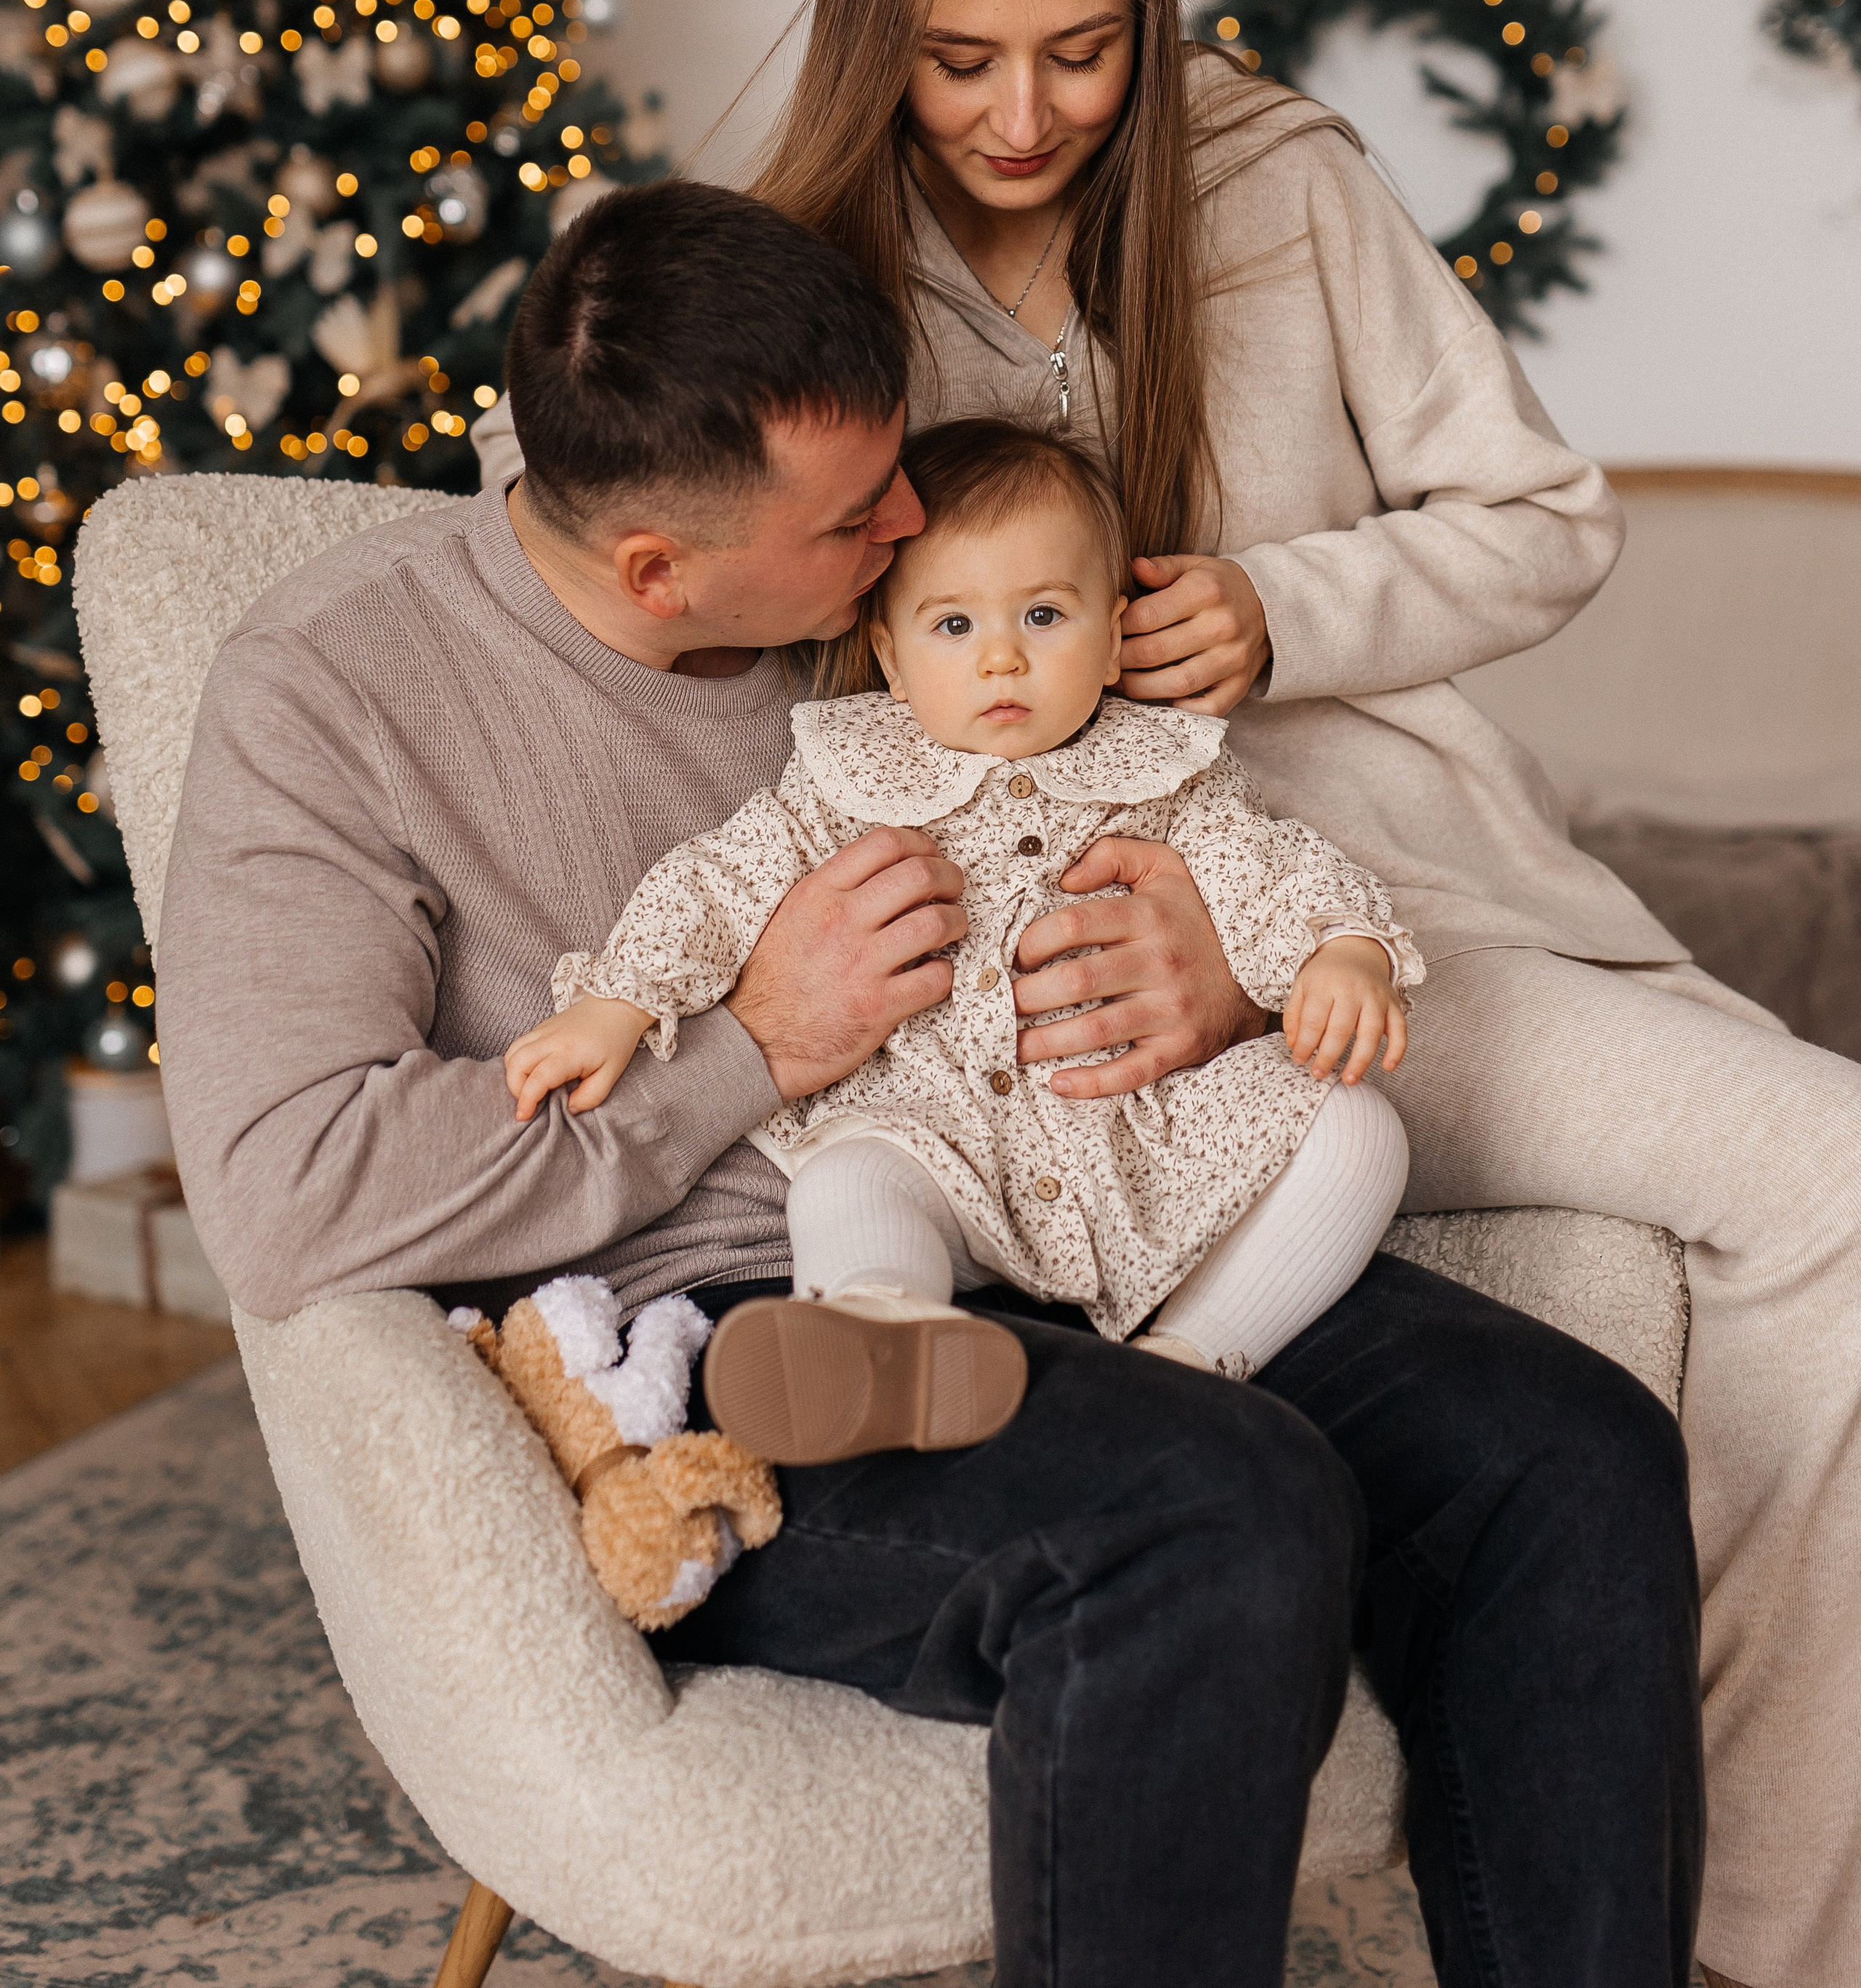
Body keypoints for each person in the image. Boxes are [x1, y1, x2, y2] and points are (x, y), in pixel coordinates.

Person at [161, 180, 1704, 1988]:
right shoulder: (336, 694)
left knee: (1571, 1452)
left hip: (1097, 1205)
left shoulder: (930, 587)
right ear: (659, 565)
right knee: (1215, 1511)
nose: (913, 526)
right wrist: (752, 1047)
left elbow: (1185, 818)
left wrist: (1206, 981)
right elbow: (285, 1190)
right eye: (854, 519)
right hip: (753, 1326)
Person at [502, 414, 1416, 1463]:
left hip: (1139, 1135)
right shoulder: (851, 777)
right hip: (937, 1135)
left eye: (1042, 613)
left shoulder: (1169, 770)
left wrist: (1345, 952)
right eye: (952, 627)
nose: (1000, 657)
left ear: (1114, 632)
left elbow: (1277, 870)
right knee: (848, 1178)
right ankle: (880, 1330)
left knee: (1357, 1128)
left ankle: (1198, 1357)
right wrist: (621, 997)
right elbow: (722, 878)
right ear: (888, 654)